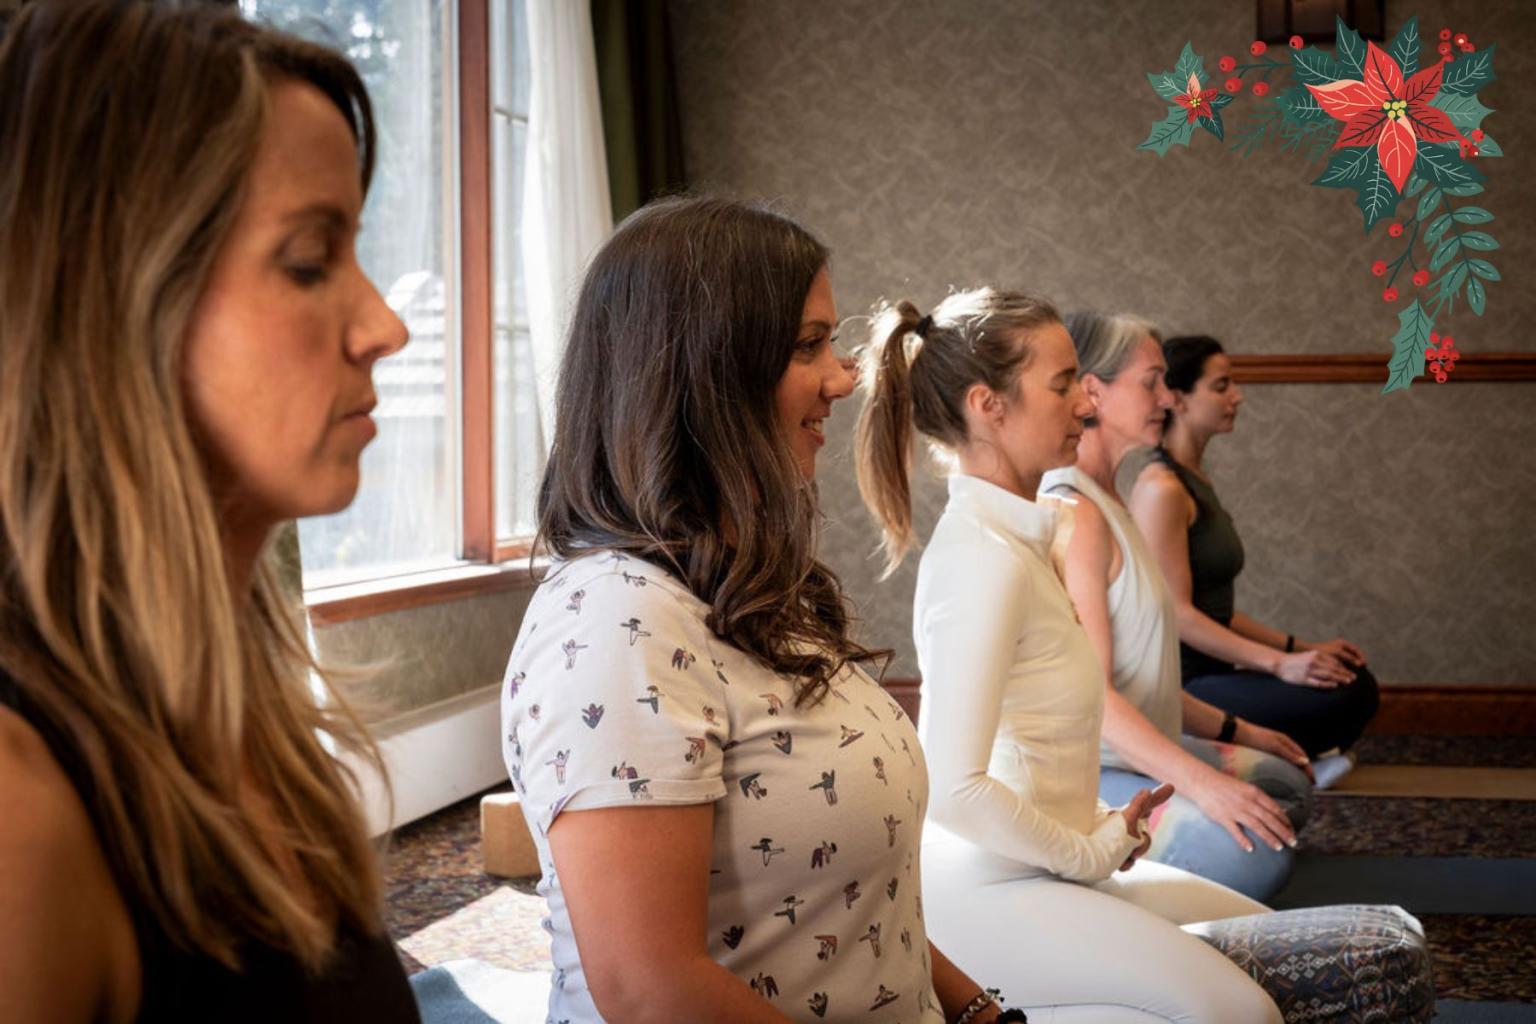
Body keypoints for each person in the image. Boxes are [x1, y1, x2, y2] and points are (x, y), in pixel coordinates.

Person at [502, 197, 1019, 1024]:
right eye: (808, 346)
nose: (843, 378)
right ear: (706, 374)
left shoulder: (752, 590)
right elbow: (650, 992)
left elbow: (855, 905)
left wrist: (983, 1015)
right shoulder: (616, 622)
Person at [0, 3, 417, 1022]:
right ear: (112, 300)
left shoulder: (246, 713)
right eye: (310, 261)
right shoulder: (21, 814)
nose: (385, 325)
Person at [854, 292, 1281, 1023]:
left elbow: (1036, 745)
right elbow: (952, 788)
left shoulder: (1027, 538)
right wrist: (1089, 851)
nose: (1086, 402)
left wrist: (1105, 826)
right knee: (1245, 1015)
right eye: (1062, 385)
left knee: (1270, 944)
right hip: (994, 889)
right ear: (988, 406)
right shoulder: (981, 559)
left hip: (1051, 867)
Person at [1040, 313, 1313, 902]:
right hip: (1094, 774)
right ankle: (1087, 884)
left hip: (1145, 747)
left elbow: (1147, 675)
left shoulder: (1114, 501)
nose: (1167, 398)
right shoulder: (1075, 512)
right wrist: (1205, 785)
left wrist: (1243, 731)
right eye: (1152, 382)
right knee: (1261, 854)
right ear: (1094, 391)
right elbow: (1093, 697)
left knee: (1285, 784)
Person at [1120, 335, 1379, 763]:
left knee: (1353, 680)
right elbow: (1178, 615)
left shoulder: (1193, 481)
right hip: (1183, 687)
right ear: (1178, 399)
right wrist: (1279, 664)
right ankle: (1228, 750)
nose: (1237, 396)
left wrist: (1300, 648)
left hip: (1217, 673)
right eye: (1221, 386)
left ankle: (1274, 756)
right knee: (1340, 697)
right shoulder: (1161, 489)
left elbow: (1216, 608)